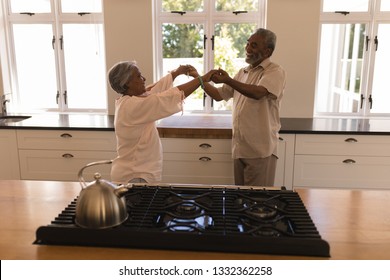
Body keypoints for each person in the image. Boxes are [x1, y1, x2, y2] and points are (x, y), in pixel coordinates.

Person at [203, 28, 286, 186]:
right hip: (240, 148)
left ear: (267, 51)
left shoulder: (275, 71)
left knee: (257, 203)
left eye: (254, 45)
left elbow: (258, 93)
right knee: (241, 200)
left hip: (260, 150)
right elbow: (218, 95)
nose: (248, 48)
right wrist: (198, 79)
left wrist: (228, 80)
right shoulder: (243, 72)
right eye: (248, 43)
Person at [108, 61, 214, 184]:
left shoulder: (127, 100)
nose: (144, 79)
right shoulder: (133, 106)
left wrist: (176, 73)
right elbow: (166, 97)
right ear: (126, 83)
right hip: (135, 175)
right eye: (138, 76)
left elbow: (154, 90)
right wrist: (202, 79)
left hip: (135, 173)